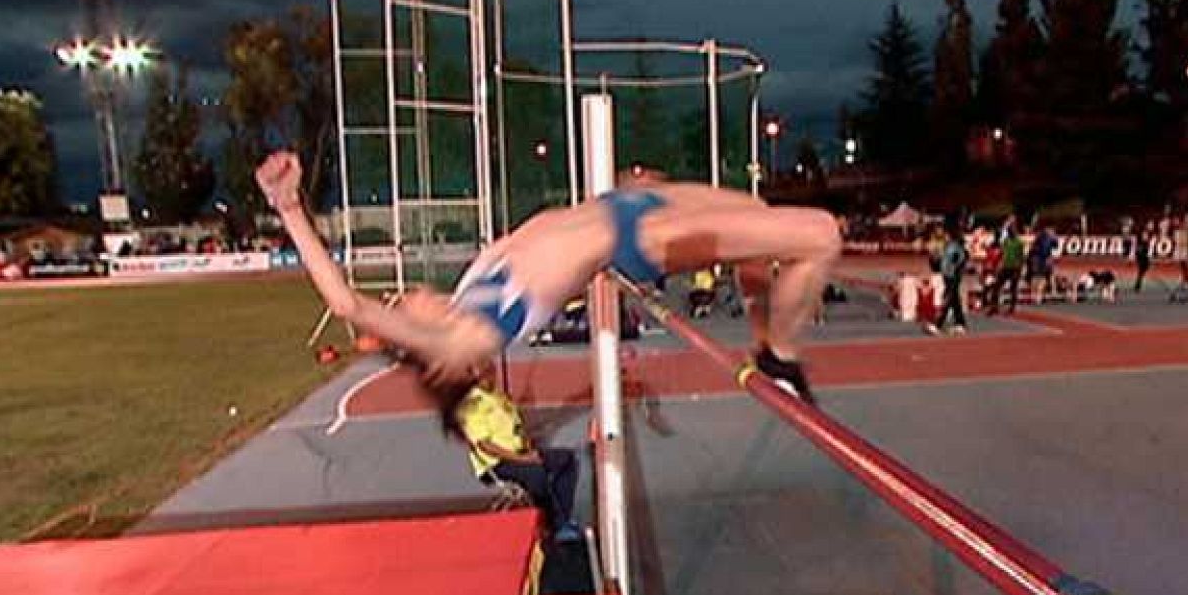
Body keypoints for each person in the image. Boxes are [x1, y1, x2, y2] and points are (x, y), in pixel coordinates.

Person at [255, 151, 840, 406]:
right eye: (402, 309)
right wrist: (290, 210)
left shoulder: (467, 294)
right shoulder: (466, 339)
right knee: (821, 235)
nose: (403, 298)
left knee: (763, 222)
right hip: (643, 238)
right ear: (435, 359)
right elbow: (348, 304)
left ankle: (767, 337)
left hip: (635, 203)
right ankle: (781, 354)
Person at [454, 374, 582, 542]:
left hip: (521, 454)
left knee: (565, 460)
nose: (490, 376)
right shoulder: (471, 406)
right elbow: (485, 446)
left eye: (490, 371)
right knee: (537, 476)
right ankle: (553, 524)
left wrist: (528, 448)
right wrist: (523, 459)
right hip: (497, 464)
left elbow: (514, 426)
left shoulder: (498, 395)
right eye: (483, 373)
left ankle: (561, 519)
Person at [931, 224, 969, 335]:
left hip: (952, 277)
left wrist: (956, 272)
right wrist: (936, 260)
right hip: (948, 277)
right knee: (955, 301)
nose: (944, 235)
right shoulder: (948, 246)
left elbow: (959, 261)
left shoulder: (955, 247)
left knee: (947, 300)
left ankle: (938, 324)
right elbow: (943, 262)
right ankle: (960, 324)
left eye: (946, 234)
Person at [989, 216, 1025, 314]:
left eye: (1012, 230)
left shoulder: (1019, 242)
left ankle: (1012, 307)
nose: (1010, 232)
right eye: (1009, 231)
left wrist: (1020, 268)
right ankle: (994, 306)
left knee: (1013, 288)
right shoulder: (1005, 241)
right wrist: (999, 264)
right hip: (1005, 267)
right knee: (996, 286)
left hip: (1015, 268)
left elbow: (1021, 256)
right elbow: (1001, 253)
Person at [1027, 222, 1058, 303]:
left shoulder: (1039, 237)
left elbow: (1032, 249)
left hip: (1035, 259)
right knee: (1043, 278)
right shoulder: (1049, 238)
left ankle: (1033, 296)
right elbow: (1054, 246)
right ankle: (1039, 297)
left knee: (1036, 277)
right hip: (1042, 259)